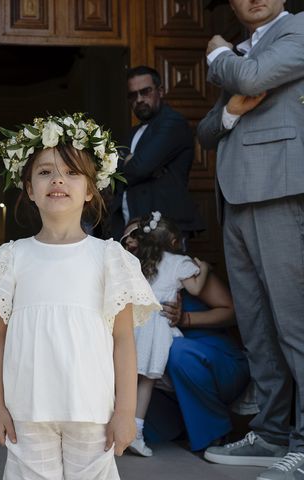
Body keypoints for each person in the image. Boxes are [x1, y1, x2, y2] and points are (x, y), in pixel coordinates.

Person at [0, 112, 160, 479]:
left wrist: (125, 412)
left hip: (92, 409)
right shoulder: (10, 257)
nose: (58, 179)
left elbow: (124, 339)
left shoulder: (111, 258)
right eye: (45, 171)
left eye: (72, 172)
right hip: (27, 409)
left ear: (91, 188)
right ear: (29, 188)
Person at [196, 1, 304, 477]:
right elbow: (205, 130)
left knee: (294, 326)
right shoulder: (244, 52)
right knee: (258, 331)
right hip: (234, 201)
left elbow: (253, 78)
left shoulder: (297, 31)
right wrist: (232, 112)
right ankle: (272, 433)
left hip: (281, 190)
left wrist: (218, 54)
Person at [121, 219, 251, 453]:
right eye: (125, 240)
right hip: (166, 378)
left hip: (214, 361)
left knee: (173, 350)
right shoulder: (135, 276)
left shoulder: (181, 267)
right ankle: (171, 426)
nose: (129, 243)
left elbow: (231, 311)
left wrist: (186, 319)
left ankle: (215, 434)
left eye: (136, 235)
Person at [126, 212, 209, 457]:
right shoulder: (178, 263)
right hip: (157, 327)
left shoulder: (140, 263)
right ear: (174, 241)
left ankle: (119, 427)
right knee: (147, 381)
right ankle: (136, 432)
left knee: (127, 379)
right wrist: (203, 268)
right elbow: (195, 287)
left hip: (134, 324)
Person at [106, 65, 203, 241]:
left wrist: (134, 163)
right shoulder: (132, 133)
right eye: (133, 95)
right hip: (129, 227)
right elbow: (111, 171)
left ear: (161, 91)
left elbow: (140, 167)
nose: (139, 99)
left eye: (145, 92)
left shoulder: (172, 123)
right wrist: (132, 164)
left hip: (165, 228)